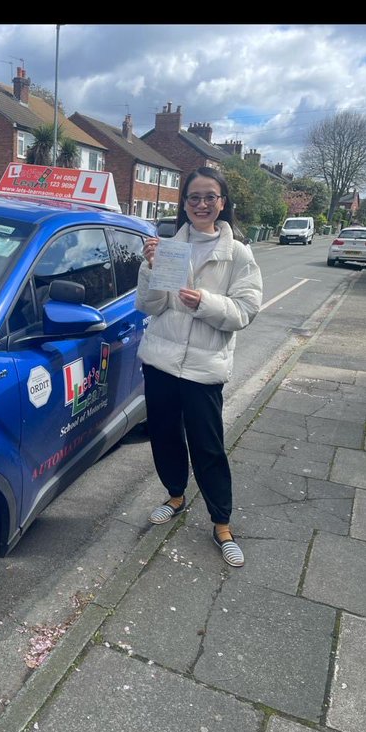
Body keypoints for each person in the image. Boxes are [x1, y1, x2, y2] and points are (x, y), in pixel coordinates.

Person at [136, 166, 263, 567]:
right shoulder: (171, 247)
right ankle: (175, 496)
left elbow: (246, 310)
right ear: (184, 203)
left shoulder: (238, 254)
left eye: (210, 197)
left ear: (222, 203)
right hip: (161, 361)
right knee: (164, 435)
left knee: (208, 447)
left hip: (204, 369)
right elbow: (149, 305)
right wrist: (151, 269)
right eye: (194, 197)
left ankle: (221, 523)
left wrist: (205, 303)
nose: (202, 204)